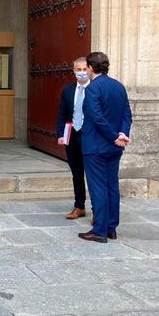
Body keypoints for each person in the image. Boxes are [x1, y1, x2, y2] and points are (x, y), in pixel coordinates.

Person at [78, 52, 132, 243]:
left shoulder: (93, 88)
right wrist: (122, 135)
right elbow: (127, 114)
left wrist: (113, 137)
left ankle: (99, 230)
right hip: (114, 146)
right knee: (112, 187)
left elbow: (96, 117)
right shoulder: (118, 86)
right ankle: (111, 228)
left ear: (91, 67)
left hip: (96, 146)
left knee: (98, 188)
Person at [57, 57, 90, 220]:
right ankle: (79, 206)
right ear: (73, 71)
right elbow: (62, 113)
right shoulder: (68, 90)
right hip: (72, 135)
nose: (82, 72)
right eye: (78, 69)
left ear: (90, 70)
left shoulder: (95, 89)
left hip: (90, 137)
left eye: (84, 69)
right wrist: (60, 135)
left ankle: (98, 209)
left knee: (92, 174)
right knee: (76, 173)